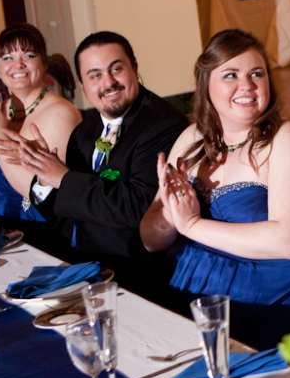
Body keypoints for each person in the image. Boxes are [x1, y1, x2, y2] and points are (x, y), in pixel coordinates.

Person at [139, 29, 290, 350]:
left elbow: (289, 241)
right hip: (191, 290)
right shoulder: (191, 140)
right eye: (231, 75)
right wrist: (171, 215)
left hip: (263, 301)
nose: (247, 85)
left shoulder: (287, 138)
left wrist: (192, 225)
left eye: (257, 73)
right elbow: (150, 240)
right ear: (206, 86)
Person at [14, 31, 188, 289]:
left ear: (135, 68)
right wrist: (44, 177)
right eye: (95, 75)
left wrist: (63, 178)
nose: (108, 82)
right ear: (83, 85)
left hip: (133, 272)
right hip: (73, 260)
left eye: (116, 69)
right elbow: (64, 210)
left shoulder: (164, 126)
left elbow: (140, 208)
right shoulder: (85, 130)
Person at [0, 24, 80, 223]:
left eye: (28, 56)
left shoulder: (62, 114)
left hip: (39, 226)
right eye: (7, 58)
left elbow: (43, 195)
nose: (18, 64)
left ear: (44, 63)